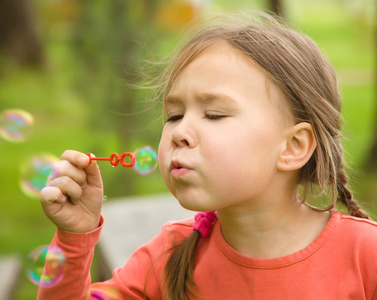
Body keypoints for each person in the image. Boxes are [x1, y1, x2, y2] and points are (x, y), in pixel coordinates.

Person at [38, 11, 377, 300]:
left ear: (293, 147)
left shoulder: (365, 255)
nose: (180, 132)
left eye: (214, 115)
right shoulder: (169, 255)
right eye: (173, 116)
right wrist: (73, 239)